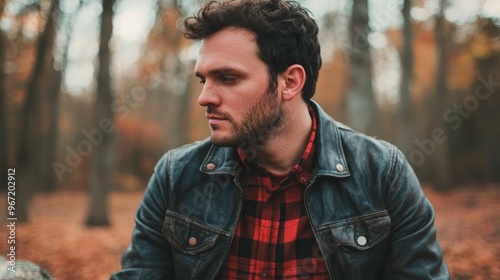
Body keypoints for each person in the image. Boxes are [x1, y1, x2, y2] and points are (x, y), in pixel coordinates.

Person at [111, 0, 450, 279]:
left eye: (227, 78)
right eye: (203, 80)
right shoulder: (176, 175)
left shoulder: (382, 174)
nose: (205, 97)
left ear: (290, 82)